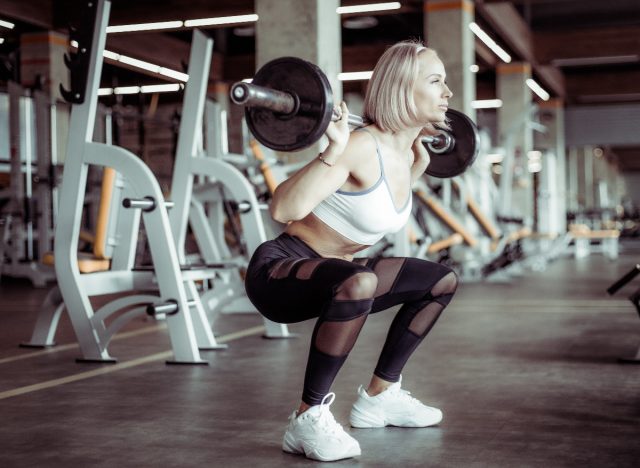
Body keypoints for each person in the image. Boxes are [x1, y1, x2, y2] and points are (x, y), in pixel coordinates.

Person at [245, 40, 458, 462]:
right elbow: (284, 209)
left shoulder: (413, 158)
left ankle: (380, 396)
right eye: (436, 82)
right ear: (402, 89)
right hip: (281, 270)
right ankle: (307, 418)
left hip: (339, 271)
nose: (448, 93)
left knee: (441, 280)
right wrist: (333, 150)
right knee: (361, 280)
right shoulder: (361, 145)